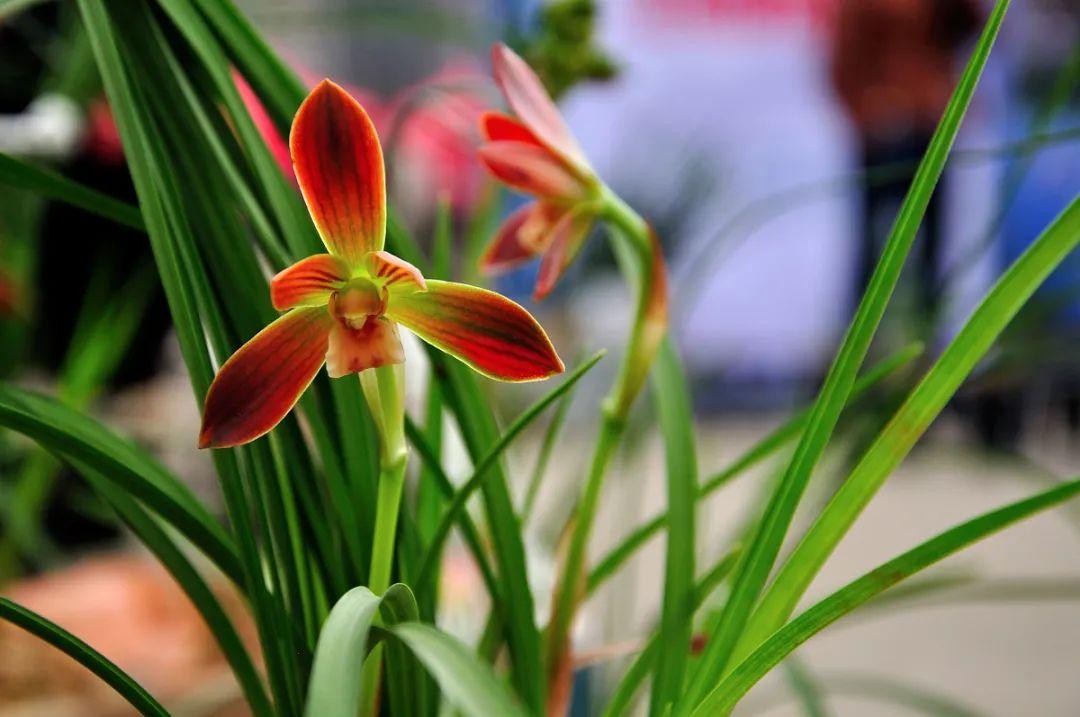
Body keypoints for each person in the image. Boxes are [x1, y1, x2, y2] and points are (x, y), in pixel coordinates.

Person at [831, 0, 981, 318]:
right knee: (871, 244)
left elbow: (970, 25)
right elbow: (843, 58)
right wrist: (863, 110)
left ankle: (930, 334)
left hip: (930, 124)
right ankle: (855, 342)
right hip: (880, 128)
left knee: (934, 242)